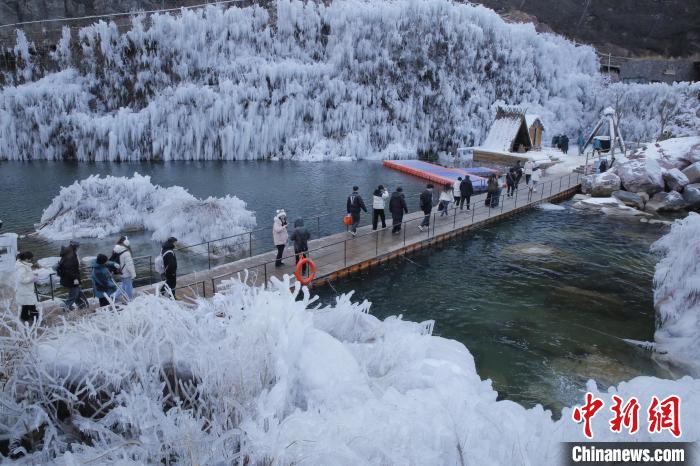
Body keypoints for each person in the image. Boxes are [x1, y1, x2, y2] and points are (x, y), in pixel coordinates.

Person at [56, 240, 85, 311]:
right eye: (78, 247)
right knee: (74, 295)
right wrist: (75, 278)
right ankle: (66, 308)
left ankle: (83, 306)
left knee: (77, 293)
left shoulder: (67, 253)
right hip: (71, 280)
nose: (79, 248)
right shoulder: (71, 255)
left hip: (67, 278)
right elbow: (69, 269)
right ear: (75, 247)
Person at [15, 251, 39, 323]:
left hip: (24, 289)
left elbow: (25, 275)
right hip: (25, 290)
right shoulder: (22, 267)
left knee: (25, 304)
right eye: (30, 259)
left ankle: (24, 317)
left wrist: (32, 275)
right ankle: (36, 320)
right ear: (26, 259)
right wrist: (32, 278)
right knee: (32, 304)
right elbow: (22, 279)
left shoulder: (24, 265)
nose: (31, 260)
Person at [111, 236, 136, 302]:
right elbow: (129, 265)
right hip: (126, 273)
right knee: (128, 287)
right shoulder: (126, 252)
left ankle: (114, 296)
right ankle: (129, 299)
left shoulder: (117, 249)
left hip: (121, 272)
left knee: (123, 286)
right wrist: (133, 274)